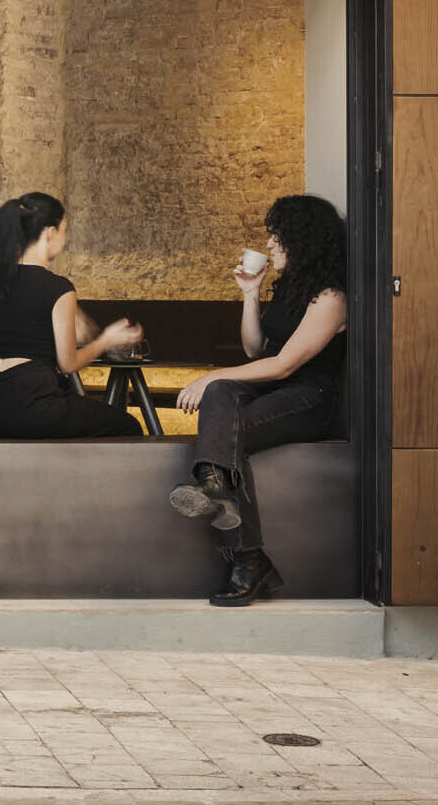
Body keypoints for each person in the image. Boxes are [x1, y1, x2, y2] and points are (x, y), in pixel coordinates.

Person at [167, 194, 347, 606]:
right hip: (272, 388)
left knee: (221, 416)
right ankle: (226, 511)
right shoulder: (291, 288)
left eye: (277, 236)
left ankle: (243, 552)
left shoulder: (331, 297)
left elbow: (282, 365)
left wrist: (212, 373)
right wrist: (251, 293)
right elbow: (255, 350)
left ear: (303, 239)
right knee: (221, 397)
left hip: (308, 398)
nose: (269, 245)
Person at [0, 192, 145, 439]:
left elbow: (23, 335)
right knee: (128, 426)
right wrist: (106, 340)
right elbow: (68, 364)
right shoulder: (57, 287)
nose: (64, 238)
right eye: (64, 230)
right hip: (32, 406)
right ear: (50, 233)